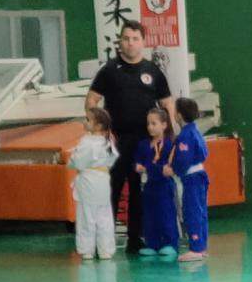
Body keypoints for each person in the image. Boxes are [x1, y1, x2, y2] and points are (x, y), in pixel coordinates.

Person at [86, 21, 176, 255]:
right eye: (126, 38)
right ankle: (103, 241)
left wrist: (169, 131)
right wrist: (100, 129)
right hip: (115, 141)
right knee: (111, 190)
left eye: (135, 39)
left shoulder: (153, 71)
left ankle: (135, 239)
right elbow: (91, 100)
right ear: (120, 41)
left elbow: (167, 103)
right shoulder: (109, 70)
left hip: (144, 143)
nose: (130, 43)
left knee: (138, 190)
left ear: (143, 42)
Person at [69, 107, 118, 262]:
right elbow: (112, 159)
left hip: (88, 181)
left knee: (86, 216)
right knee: (104, 216)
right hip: (103, 181)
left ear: (98, 126)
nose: (85, 122)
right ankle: (105, 251)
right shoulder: (108, 141)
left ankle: (87, 250)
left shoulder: (87, 141)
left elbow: (77, 161)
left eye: (88, 120)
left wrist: (72, 161)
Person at [135, 105, 179, 259]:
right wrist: (139, 167)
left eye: (154, 123)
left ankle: (170, 243)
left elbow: (169, 168)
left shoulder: (169, 145)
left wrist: (150, 169)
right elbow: (138, 162)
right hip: (149, 186)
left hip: (164, 185)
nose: (150, 127)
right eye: (148, 123)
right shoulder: (143, 144)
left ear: (164, 125)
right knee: (149, 215)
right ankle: (152, 244)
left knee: (165, 213)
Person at [170, 97, 209, 260]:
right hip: (200, 175)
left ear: (179, 115)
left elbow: (183, 159)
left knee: (192, 211)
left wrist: (173, 170)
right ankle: (201, 245)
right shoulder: (195, 131)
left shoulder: (185, 135)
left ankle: (196, 248)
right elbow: (204, 153)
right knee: (200, 211)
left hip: (191, 178)